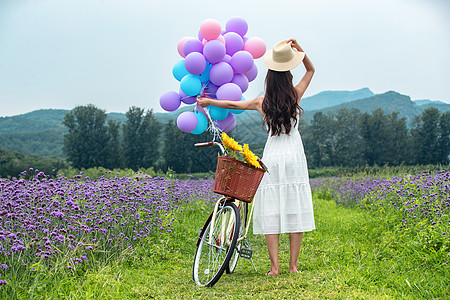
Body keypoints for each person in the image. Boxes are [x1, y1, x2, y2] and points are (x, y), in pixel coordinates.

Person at [197, 38, 315, 276]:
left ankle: (274, 267)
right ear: (288, 76)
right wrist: (299, 50)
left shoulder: (262, 102)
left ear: (269, 78)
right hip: (293, 156)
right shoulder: (295, 96)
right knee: (294, 207)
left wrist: (209, 101)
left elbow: (233, 103)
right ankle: (293, 266)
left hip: (272, 156)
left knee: (271, 208)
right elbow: (311, 69)